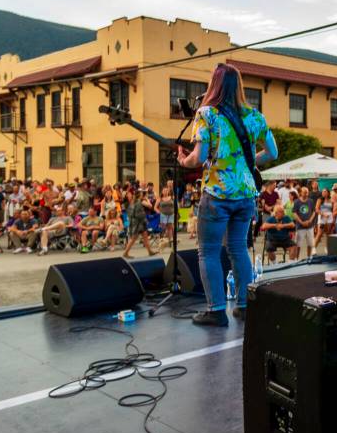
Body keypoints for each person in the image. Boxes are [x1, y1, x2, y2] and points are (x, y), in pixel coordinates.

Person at [178, 63, 277, 326]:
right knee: (238, 249)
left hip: (218, 194)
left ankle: (215, 310)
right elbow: (273, 153)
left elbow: (198, 158)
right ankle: (245, 307)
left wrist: (183, 160)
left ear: (215, 85)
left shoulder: (207, 114)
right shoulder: (255, 116)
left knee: (208, 252)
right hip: (246, 195)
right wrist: (246, 164)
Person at [122, 190, 156, 259]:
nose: (130, 194)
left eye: (130, 193)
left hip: (141, 221)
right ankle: (125, 253)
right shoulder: (126, 204)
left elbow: (141, 211)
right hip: (135, 223)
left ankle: (150, 251)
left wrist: (144, 219)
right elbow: (133, 214)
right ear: (126, 196)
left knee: (145, 236)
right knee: (133, 238)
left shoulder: (136, 201)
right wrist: (142, 217)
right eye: (128, 194)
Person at [292, 186, 316, 260]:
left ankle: (309, 257)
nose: (306, 194)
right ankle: (297, 259)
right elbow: (294, 213)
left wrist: (310, 220)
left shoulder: (310, 201)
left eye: (307, 192)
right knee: (298, 245)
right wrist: (301, 222)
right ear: (301, 193)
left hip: (309, 226)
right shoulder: (296, 202)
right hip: (300, 227)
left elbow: (313, 212)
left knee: (310, 244)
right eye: (304, 192)